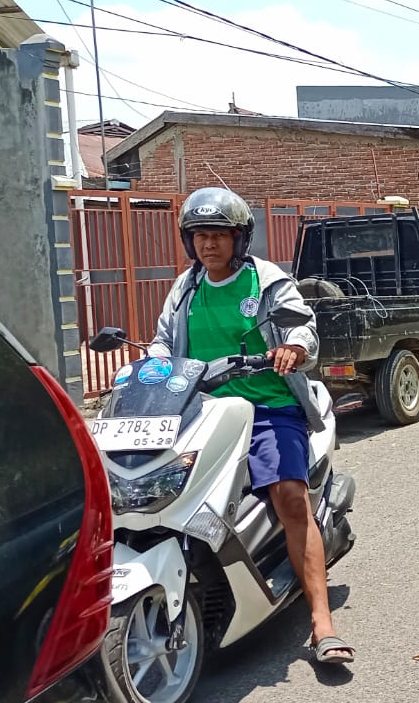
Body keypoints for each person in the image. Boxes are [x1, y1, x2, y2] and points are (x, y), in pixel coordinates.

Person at [148, 187, 353, 664]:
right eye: (200, 235)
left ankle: (321, 622)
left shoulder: (265, 280)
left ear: (240, 239)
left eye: (219, 234)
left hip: (267, 408)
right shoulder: (185, 288)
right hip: (199, 413)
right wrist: (149, 363)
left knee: (289, 498)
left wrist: (294, 348)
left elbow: (302, 325)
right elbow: (163, 343)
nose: (209, 245)